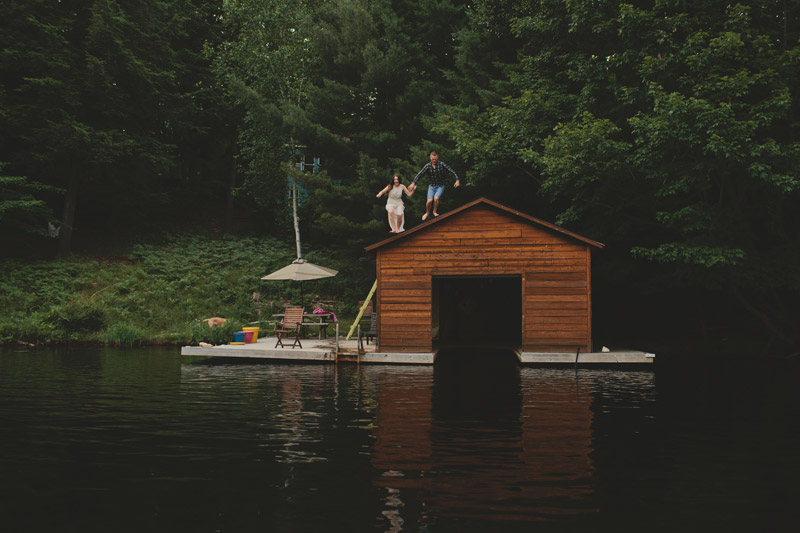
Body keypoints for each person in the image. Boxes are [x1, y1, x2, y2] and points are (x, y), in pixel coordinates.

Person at [408, 151, 460, 221]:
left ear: (437, 158)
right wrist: (413, 183)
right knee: (429, 201)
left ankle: (434, 211)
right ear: (430, 158)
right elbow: (420, 174)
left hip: (441, 186)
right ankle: (427, 212)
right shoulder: (428, 166)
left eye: (435, 159)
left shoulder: (441, 164)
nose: (434, 161)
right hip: (432, 186)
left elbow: (451, 171)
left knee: (436, 198)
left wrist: (457, 180)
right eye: (433, 159)